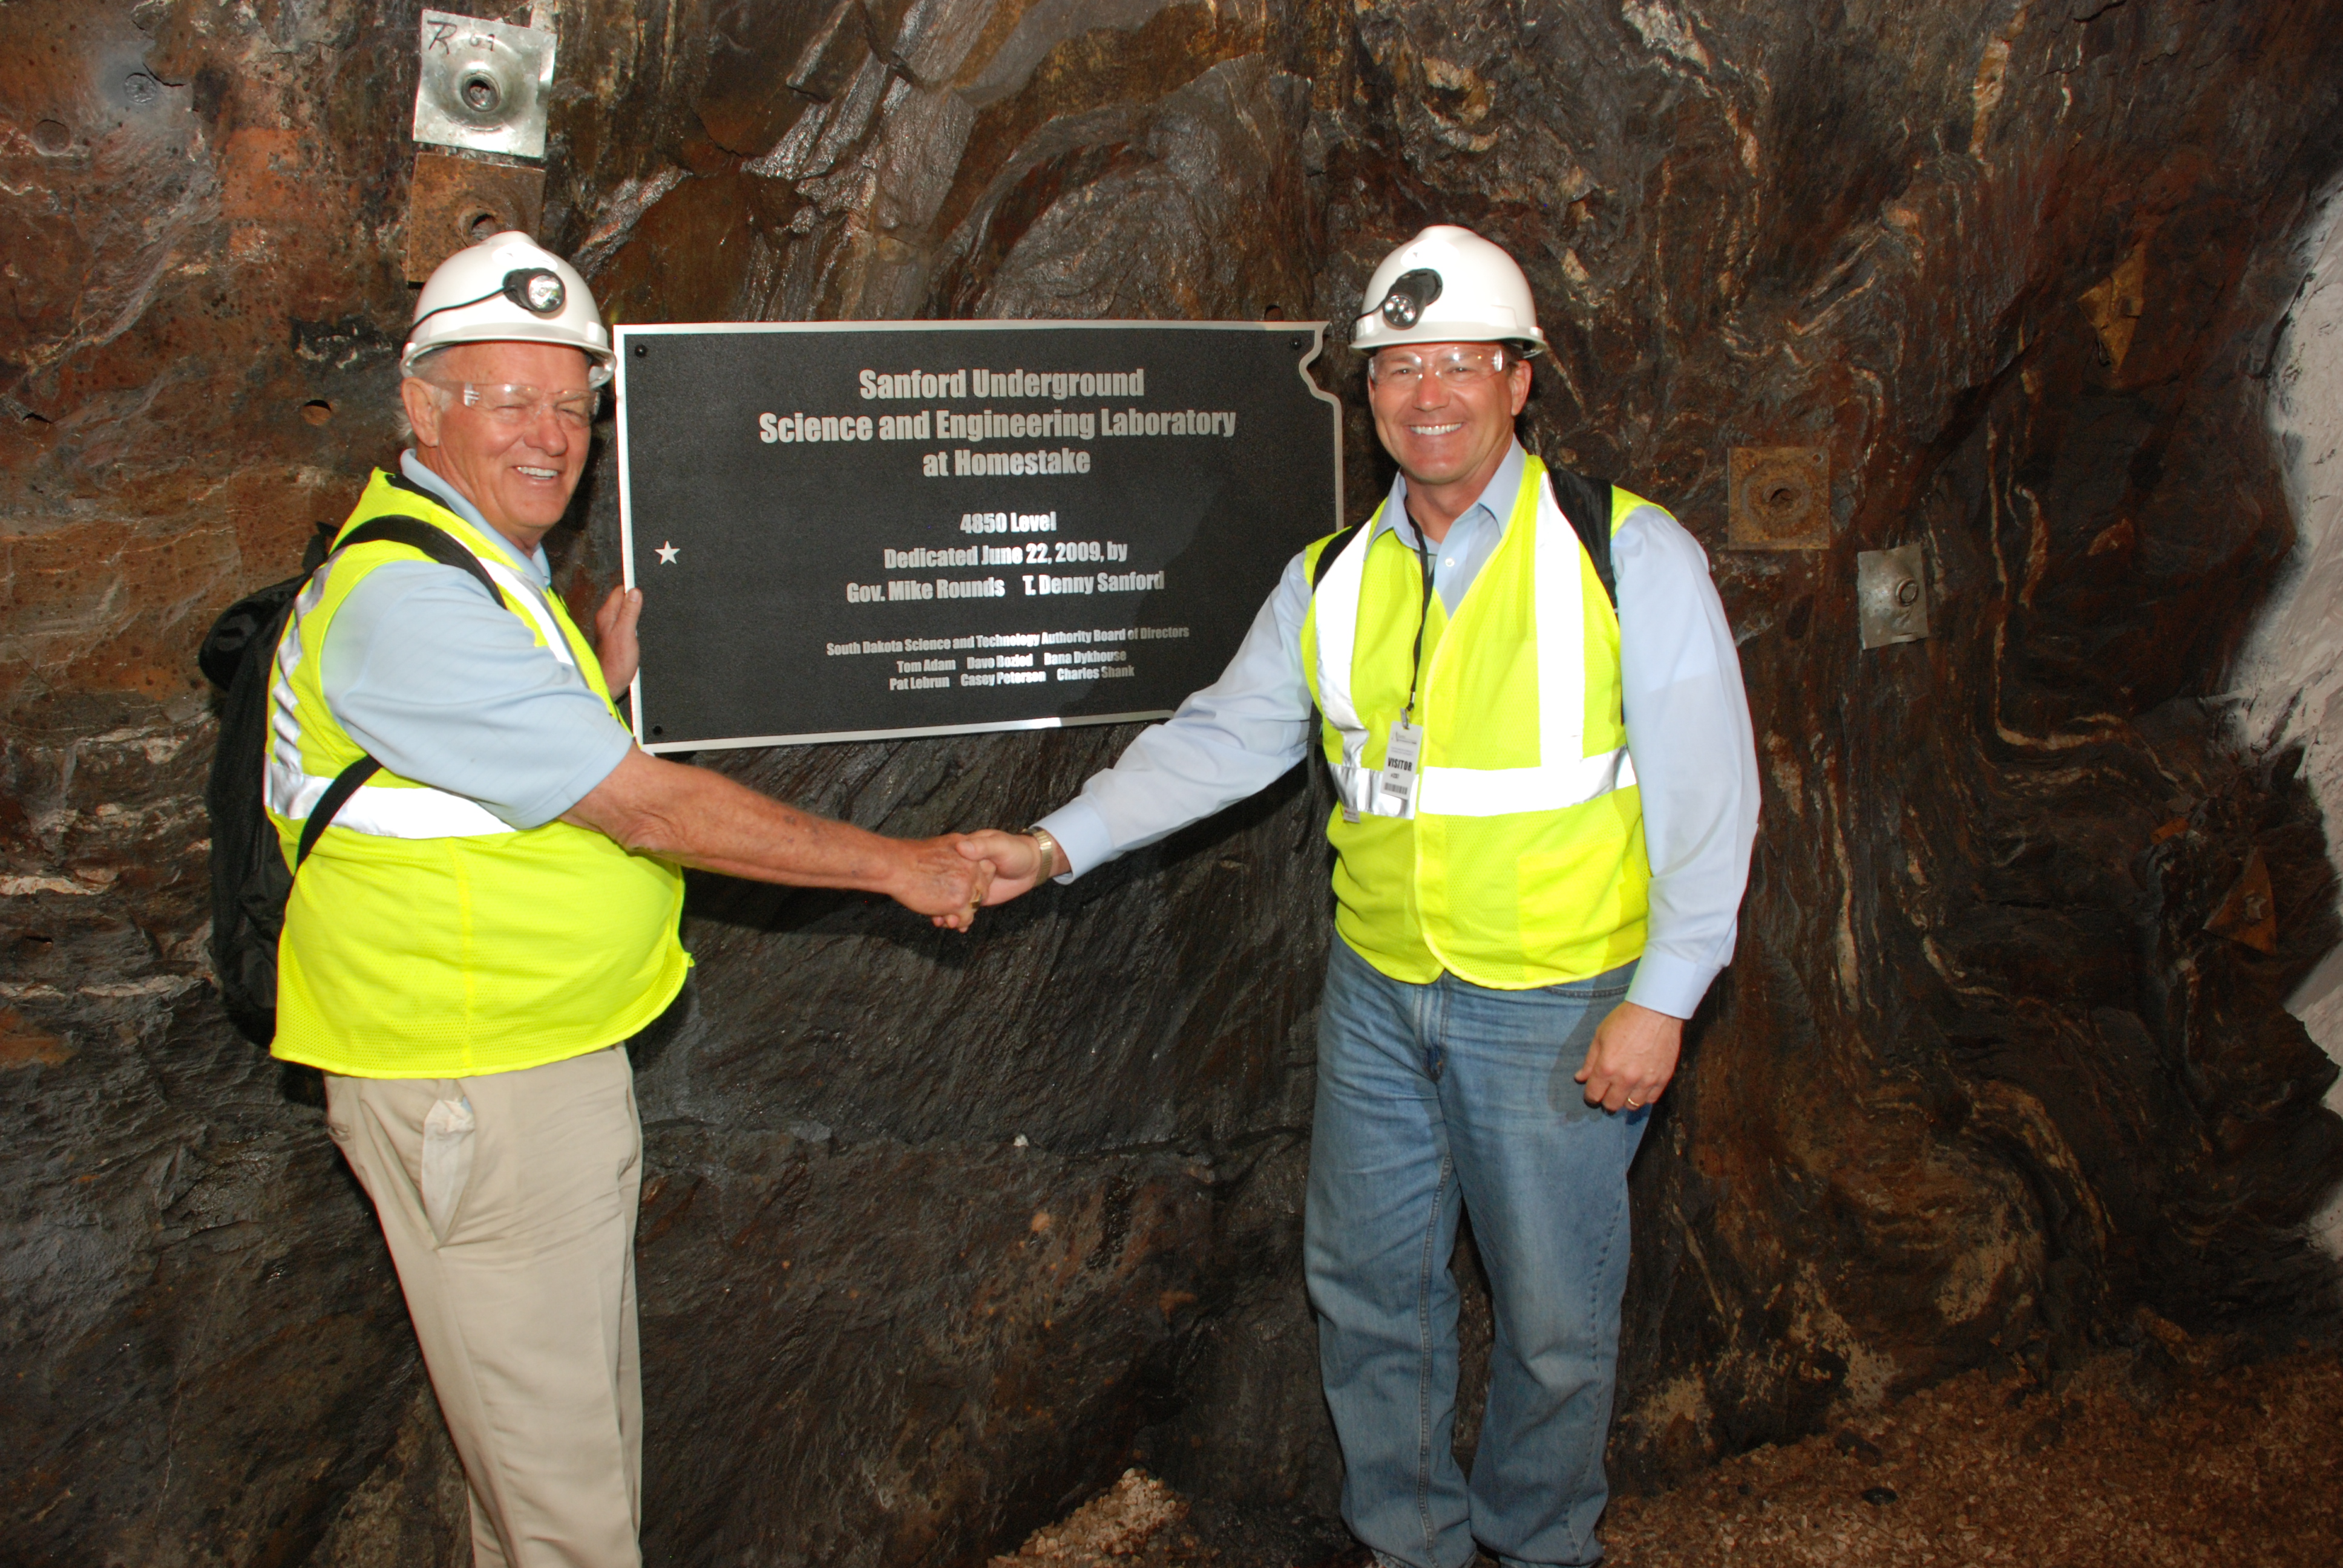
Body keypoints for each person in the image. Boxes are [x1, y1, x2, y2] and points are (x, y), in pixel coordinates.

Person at [962, 226, 1759, 1568]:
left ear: (1520, 382)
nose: (1427, 393)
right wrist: (1052, 845)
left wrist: (1665, 998)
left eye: (1460, 363)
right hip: (1381, 1000)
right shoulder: (1330, 577)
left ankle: (1541, 1544)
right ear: (1371, 391)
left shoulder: (1627, 556)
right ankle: (1411, 1545)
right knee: (1371, 1294)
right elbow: (1221, 742)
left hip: (1559, 1002)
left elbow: (1711, 796)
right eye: (1398, 367)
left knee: (1558, 1319)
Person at [266, 232, 993, 1568]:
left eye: (571, 403)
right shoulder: (410, 598)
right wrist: (899, 863)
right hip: (476, 1091)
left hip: (518, 1071)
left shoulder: (475, 564)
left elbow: (477, 775)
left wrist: (588, 685)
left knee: (547, 1472)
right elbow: (647, 808)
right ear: (421, 408)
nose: (549, 435)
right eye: (506, 398)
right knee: (571, 1513)